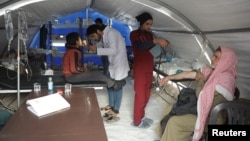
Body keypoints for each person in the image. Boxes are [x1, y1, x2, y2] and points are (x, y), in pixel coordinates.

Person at [157, 46, 238, 141]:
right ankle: (163, 137)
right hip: (198, 110)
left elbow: (203, 97)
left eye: (216, 57)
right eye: (213, 56)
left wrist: (201, 82)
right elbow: (186, 74)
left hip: (211, 118)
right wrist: (169, 78)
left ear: (226, 61)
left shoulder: (226, 80)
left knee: (174, 122)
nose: (212, 59)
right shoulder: (211, 72)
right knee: (169, 108)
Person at [130, 12, 169, 128]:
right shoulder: (134, 34)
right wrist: (156, 41)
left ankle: (142, 116)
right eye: (147, 24)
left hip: (148, 67)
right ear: (141, 23)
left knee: (147, 94)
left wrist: (160, 46)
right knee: (140, 95)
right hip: (140, 68)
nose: (149, 27)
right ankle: (137, 121)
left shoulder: (149, 35)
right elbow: (140, 47)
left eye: (150, 24)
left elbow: (151, 50)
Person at [86, 24, 130, 123]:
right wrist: (92, 47)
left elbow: (113, 50)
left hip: (119, 64)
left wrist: (96, 49)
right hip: (112, 65)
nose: (94, 39)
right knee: (109, 84)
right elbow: (102, 45)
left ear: (98, 31)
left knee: (118, 86)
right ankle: (111, 106)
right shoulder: (105, 35)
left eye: (93, 36)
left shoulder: (112, 33)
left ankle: (115, 110)